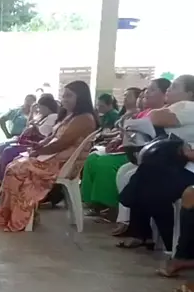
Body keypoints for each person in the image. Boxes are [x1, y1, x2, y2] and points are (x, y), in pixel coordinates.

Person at [0, 80, 98, 232]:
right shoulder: (71, 116)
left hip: (60, 164)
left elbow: (61, 143)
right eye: (64, 95)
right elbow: (52, 137)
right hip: (53, 158)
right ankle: (13, 216)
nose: (64, 99)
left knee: (16, 170)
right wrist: (38, 147)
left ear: (81, 97)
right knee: (14, 163)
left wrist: (39, 151)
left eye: (69, 96)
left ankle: (20, 218)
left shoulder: (84, 119)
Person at [118, 75, 194, 251]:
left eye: (175, 87)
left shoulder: (188, 107)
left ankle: (170, 243)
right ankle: (151, 236)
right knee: (146, 173)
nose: (169, 89)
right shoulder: (176, 107)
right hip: (174, 163)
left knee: (149, 186)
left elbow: (155, 118)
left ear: (190, 93)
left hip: (187, 168)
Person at [113, 79, 172, 238]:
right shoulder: (149, 113)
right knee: (124, 172)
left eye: (151, 90)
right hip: (145, 155)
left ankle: (140, 231)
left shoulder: (168, 113)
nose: (146, 94)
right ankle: (126, 221)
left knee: (135, 176)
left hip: (162, 160)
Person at [79, 88, 141, 220]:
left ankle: (111, 205)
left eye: (128, 96)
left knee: (105, 163)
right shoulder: (125, 113)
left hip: (132, 151)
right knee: (92, 158)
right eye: (124, 95)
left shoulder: (142, 114)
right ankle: (93, 201)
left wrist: (115, 137)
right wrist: (115, 139)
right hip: (120, 145)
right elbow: (120, 132)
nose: (124, 98)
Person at [0, 94, 60, 190]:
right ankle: (2, 177)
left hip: (37, 144)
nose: (39, 109)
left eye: (41, 107)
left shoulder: (53, 117)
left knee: (8, 151)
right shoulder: (42, 116)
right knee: (3, 148)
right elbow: (28, 125)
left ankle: (0, 179)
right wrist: (32, 114)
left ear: (46, 107)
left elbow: (44, 132)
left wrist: (34, 126)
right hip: (30, 142)